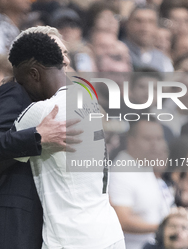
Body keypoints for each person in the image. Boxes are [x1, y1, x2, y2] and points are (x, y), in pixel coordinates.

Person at [10, 32, 124, 248]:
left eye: (21, 82)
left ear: (34, 74)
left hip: (71, 238)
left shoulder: (43, 111)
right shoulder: (87, 99)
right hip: (109, 233)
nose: (21, 90)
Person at [0, 26, 75, 249]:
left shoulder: (69, 105)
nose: (63, 60)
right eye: (55, 53)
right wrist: (36, 137)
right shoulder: (15, 92)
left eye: (65, 53)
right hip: (9, 227)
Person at [109, 118, 170, 249]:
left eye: (159, 139)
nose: (155, 144)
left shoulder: (145, 163)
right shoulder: (122, 172)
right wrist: (164, 228)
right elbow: (122, 220)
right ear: (131, 141)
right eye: (148, 139)